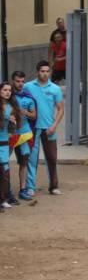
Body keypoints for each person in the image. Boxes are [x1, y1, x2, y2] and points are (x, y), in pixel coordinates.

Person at [24, 61, 64, 196]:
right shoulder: (28, 86)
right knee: (31, 158)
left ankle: (53, 187)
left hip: (49, 128)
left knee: (52, 158)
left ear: (50, 72)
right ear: (37, 72)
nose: (45, 74)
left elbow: (60, 109)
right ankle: (30, 187)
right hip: (33, 128)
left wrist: (54, 125)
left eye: (47, 71)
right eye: (42, 71)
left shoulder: (55, 89)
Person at [11, 72, 35, 200]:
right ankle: (6, 191)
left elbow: (34, 115)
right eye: (17, 81)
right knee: (4, 163)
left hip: (25, 135)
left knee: (24, 162)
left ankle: (23, 189)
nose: (20, 84)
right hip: (9, 135)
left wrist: (25, 112)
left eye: (22, 81)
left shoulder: (28, 98)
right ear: (13, 81)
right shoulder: (8, 96)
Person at [0, 82, 18, 209]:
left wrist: (13, 124)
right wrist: (7, 117)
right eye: (5, 90)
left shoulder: (12, 107)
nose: (7, 92)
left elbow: (13, 129)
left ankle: (3, 199)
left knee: (5, 172)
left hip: (4, 143)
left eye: (9, 90)